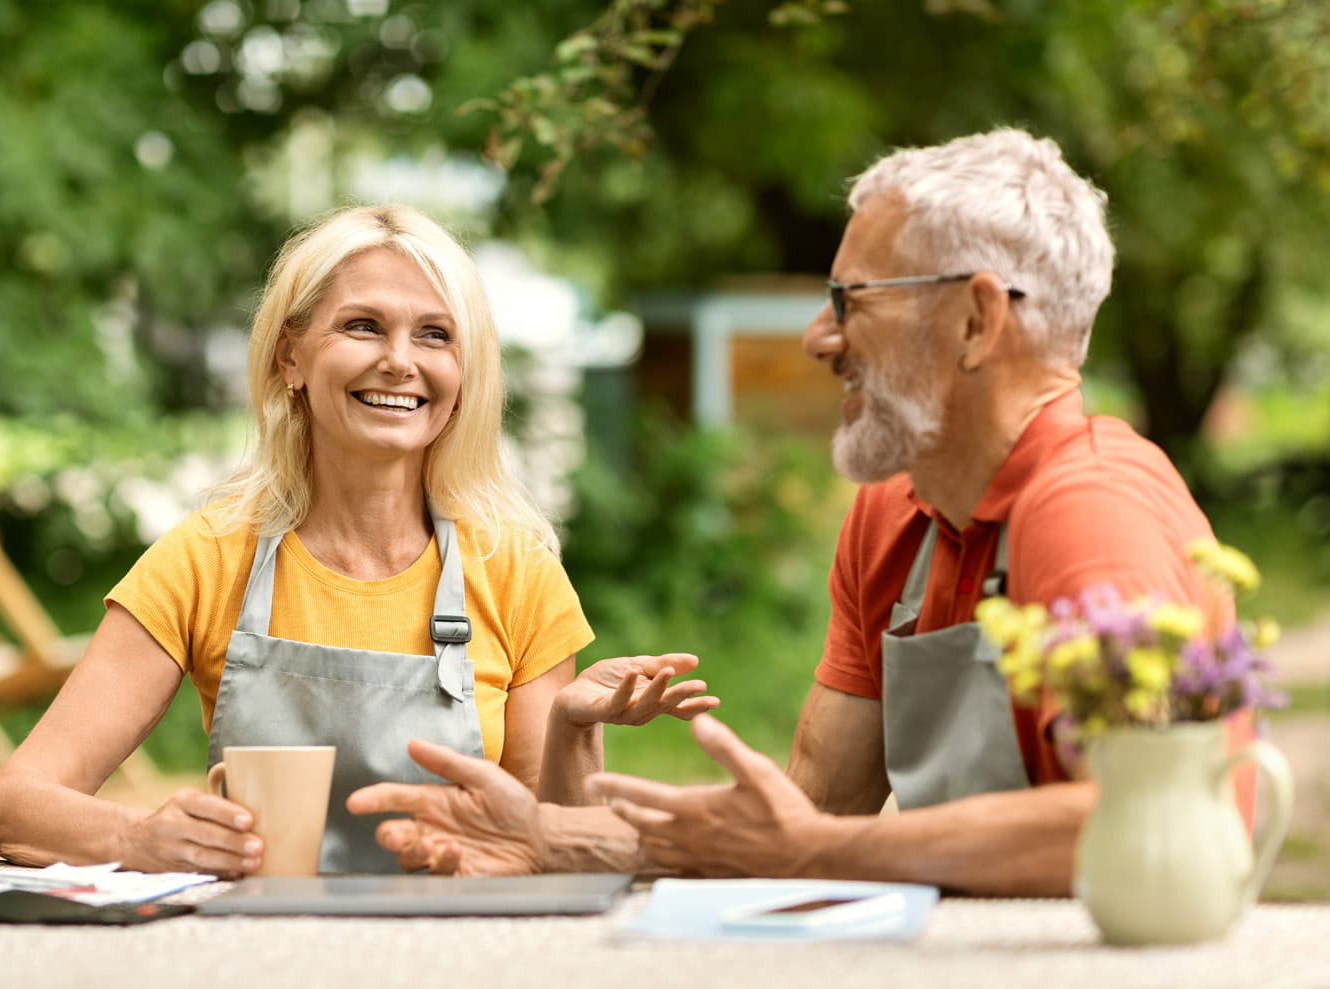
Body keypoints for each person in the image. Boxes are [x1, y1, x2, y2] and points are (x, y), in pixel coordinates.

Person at [347, 129, 1244, 896]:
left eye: (853, 300)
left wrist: (814, 849)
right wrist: (564, 839)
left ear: (976, 320)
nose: (820, 336)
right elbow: (806, 816)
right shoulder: (898, 512)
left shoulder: (1091, 513)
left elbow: (1142, 825)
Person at [0, 204, 716, 876]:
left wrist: (573, 731)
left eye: (434, 334)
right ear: (290, 357)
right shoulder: (206, 558)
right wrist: (138, 839)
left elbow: (557, 852)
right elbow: (12, 805)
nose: (401, 360)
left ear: (464, 375)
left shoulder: (516, 570)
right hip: (256, 956)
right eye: (363, 325)